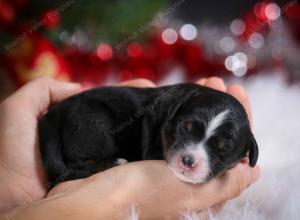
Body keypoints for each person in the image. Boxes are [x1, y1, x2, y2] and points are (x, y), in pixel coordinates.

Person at [0, 77, 260, 219]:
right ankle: (82, 166)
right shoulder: (170, 104)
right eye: (186, 130)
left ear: (244, 157)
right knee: (97, 127)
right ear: (177, 115)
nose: (191, 155)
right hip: (87, 116)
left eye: (220, 151)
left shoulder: (186, 104)